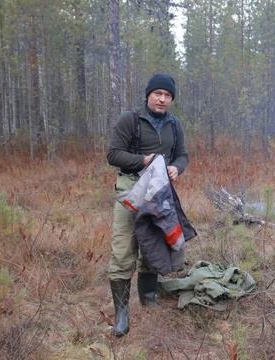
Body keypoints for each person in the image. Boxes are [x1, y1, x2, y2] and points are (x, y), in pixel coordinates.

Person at [106, 73, 189, 337]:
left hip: (159, 193)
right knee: (122, 252)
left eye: (167, 95)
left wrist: (176, 167)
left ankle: (148, 297)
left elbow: (183, 155)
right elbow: (113, 154)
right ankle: (121, 314)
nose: (162, 99)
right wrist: (143, 161)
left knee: (153, 245)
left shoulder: (174, 125)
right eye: (158, 94)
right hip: (130, 191)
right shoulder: (130, 119)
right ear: (148, 95)